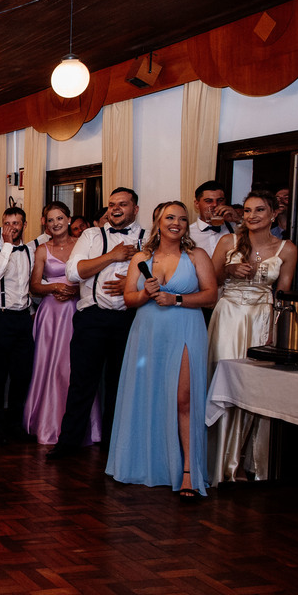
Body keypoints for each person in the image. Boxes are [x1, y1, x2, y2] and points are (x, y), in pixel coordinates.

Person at [105, 201, 217, 497]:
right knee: (147, 395)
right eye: (170, 217)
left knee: (184, 399)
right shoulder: (142, 257)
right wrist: (145, 293)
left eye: (182, 219)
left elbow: (211, 295)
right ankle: (146, 464)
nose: (176, 223)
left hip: (185, 329)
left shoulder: (196, 255)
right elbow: (128, 299)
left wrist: (176, 299)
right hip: (147, 332)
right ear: (159, 222)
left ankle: (188, 471)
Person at [48, 187, 147, 461]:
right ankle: (68, 443)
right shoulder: (91, 235)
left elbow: (159, 275)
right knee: (81, 383)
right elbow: (73, 272)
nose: (116, 208)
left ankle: (114, 447)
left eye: (123, 204)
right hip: (92, 318)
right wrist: (112, 256)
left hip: (129, 319)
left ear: (135, 209)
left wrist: (132, 283)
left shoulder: (148, 237)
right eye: (112, 204)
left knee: (121, 384)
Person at [208, 191, 298, 484]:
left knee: (253, 387)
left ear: (273, 214)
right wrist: (228, 269)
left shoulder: (286, 248)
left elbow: (283, 294)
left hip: (262, 318)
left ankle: (241, 460)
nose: (252, 215)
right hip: (229, 316)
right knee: (223, 382)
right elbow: (209, 281)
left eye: (260, 210)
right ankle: (215, 461)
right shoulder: (228, 241)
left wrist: (275, 329)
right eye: (247, 210)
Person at [22, 203, 99, 446]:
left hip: (77, 309)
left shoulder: (83, 246)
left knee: (75, 366)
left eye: (60, 218)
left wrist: (74, 290)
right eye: (50, 220)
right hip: (51, 315)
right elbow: (34, 286)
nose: (55, 223)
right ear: (45, 224)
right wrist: (55, 286)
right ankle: (47, 422)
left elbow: (93, 276)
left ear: (68, 219)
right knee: (51, 367)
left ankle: (80, 427)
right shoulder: (42, 250)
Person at [0, 206, 35, 445]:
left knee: (21, 375)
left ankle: (15, 424)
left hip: (22, 319)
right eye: (7, 223)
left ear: (24, 225)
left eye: (16, 223)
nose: (11, 228)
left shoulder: (30, 250)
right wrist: (7, 246)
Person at [187, 180, 237, 258]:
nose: (215, 204)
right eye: (209, 201)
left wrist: (238, 219)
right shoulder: (188, 233)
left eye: (220, 200)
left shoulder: (235, 228)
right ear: (197, 204)